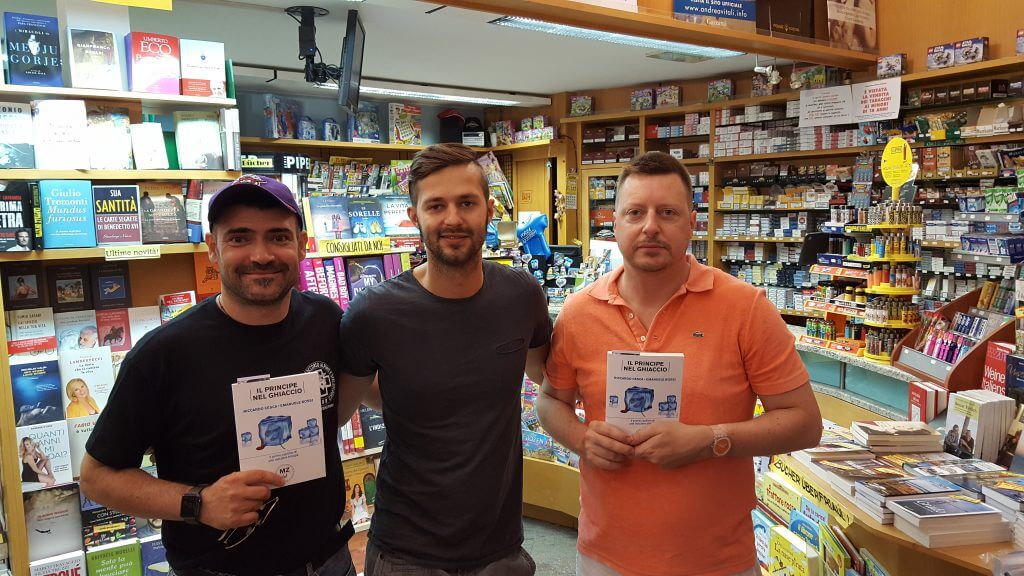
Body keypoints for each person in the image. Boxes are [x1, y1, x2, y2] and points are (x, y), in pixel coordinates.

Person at [538, 151, 823, 576]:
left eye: (667, 212)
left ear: (692, 223)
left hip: (717, 562)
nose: (650, 226)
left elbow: (805, 423)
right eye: (635, 212)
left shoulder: (746, 308)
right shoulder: (579, 313)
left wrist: (709, 440)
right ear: (615, 223)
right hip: (604, 556)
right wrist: (581, 439)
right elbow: (550, 402)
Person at [79, 174, 357, 576]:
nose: (261, 255)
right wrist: (199, 503)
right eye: (239, 238)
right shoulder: (163, 354)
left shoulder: (325, 319)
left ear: (301, 244)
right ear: (213, 248)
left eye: (278, 237)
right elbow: (97, 478)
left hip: (330, 561)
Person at [336, 143, 551, 575]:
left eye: (467, 203)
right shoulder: (374, 313)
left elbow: (550, 378)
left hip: (500, 548)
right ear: (414, 216)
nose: (453, 218)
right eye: (436, 205)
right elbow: (340, 409)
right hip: (406, 551)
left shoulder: (522, 295)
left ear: (490, 211)